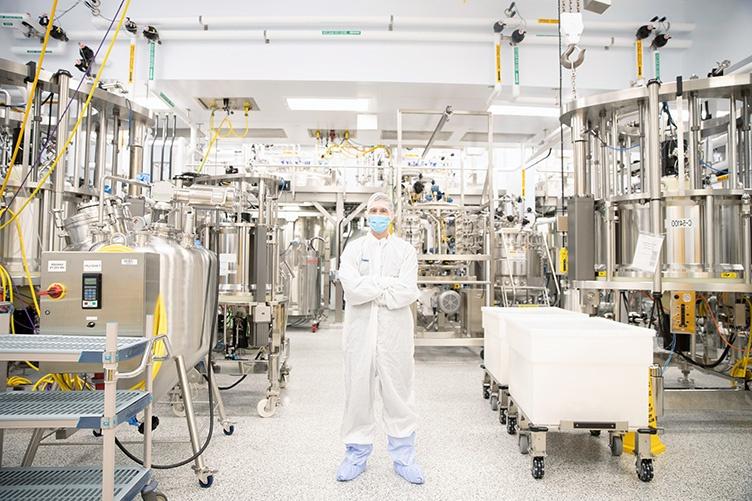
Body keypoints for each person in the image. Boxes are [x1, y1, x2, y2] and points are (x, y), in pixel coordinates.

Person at [335, 192, 424, 484]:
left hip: (395, 335)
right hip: (360, 335)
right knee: (358, 392)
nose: (378, 214)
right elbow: (351, 290)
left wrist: (369, 287)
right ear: (365, 215)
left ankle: (404, 457)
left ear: (393, 215)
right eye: (373, 209)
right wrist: (385, 286)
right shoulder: (353, 248)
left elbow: (407, 292)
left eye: (383, 209)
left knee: (398, 393)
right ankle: (355, 455)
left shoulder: (405, 251)